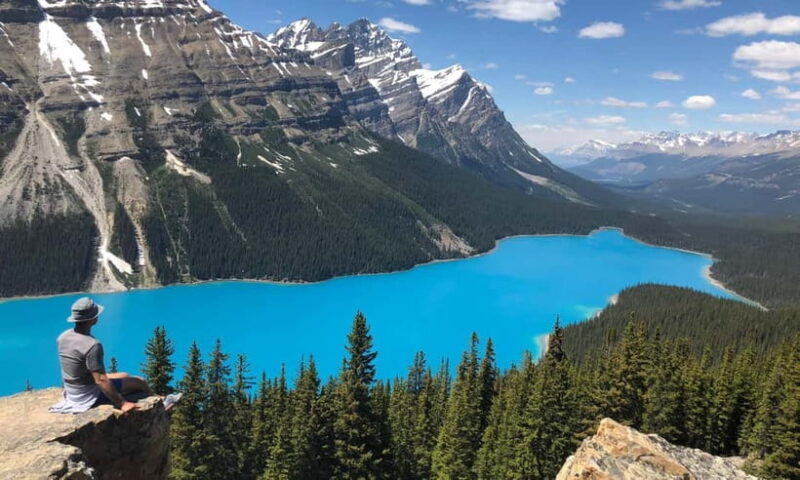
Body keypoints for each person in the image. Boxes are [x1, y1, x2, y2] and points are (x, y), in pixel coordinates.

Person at [49, 297, 150, 414]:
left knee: (124, 375)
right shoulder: (92, 345)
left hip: (71, 390)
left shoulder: (63, 336)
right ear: (92, 319)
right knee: (140, 381)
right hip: (87, 394)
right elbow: (101, 380)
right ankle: (161, 405)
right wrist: (122, 403)